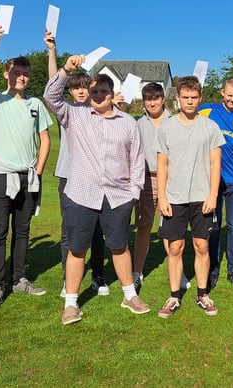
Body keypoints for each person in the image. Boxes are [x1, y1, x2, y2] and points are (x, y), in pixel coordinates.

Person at [45, 55, 149, 324]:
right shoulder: (74, 115)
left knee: (119, 246)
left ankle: (130, 295)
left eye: (104, 91)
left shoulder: (127, 122)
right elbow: (51, 96)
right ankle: (71, 304)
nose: (99, 95)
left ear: (112, 94)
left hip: (117, 196)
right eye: (94, 91)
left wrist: (134, 192)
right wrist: (67, 69)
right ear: (88, 93)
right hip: (81, 193)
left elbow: (137, 159)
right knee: (77, 249)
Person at [0, 25, 52, 311]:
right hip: (0, 176)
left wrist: (39, 170)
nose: (21, 77)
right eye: (16, 72)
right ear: (6, 74)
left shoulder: (35, 104)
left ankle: (19, 279)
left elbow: (44, 139)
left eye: (25, 74)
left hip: (28, 177)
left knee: (23, 231)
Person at [46, 33, 108, 298]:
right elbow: (53, 88)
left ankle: (98, 275)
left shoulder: (99, 110)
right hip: (69, 178)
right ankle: (67, 279)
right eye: (76, 87)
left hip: (96, 178)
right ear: (70, 91)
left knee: (97, 231)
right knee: (69, 232)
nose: (82, 91)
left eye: (86, 87)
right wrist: (53, 52)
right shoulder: (67, 112)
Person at [156, 76, 224, 318]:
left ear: (201, 98)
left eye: (194, 97)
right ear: (177, 98)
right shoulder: (167, 127)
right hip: (174, 197)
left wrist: (213, 195)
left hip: (202, 197)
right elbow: (162, 165)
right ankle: (174, 296)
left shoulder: (210, 128)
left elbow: (216, 164)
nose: (190, 101)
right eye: (185, 97)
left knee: (201, 246)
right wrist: (162, 198)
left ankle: (203, 294)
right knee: (175, 248)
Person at [198, 78, 233, 289]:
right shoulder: (207, 111)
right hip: (213, 182)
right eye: (229, 95)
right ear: (222, 92)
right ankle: (212, 270)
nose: (232, 100)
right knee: (213, 226)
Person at [134, 82, 190, 292]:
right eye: (148, 99)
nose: (152, 103)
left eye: (155, 98)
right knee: (144, 226)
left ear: (162, 99)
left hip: (172, 179)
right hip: (147, 180)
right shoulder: (138, 124)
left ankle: (179, 272)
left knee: (171, 229)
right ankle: (137, 272)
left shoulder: (174, 121)